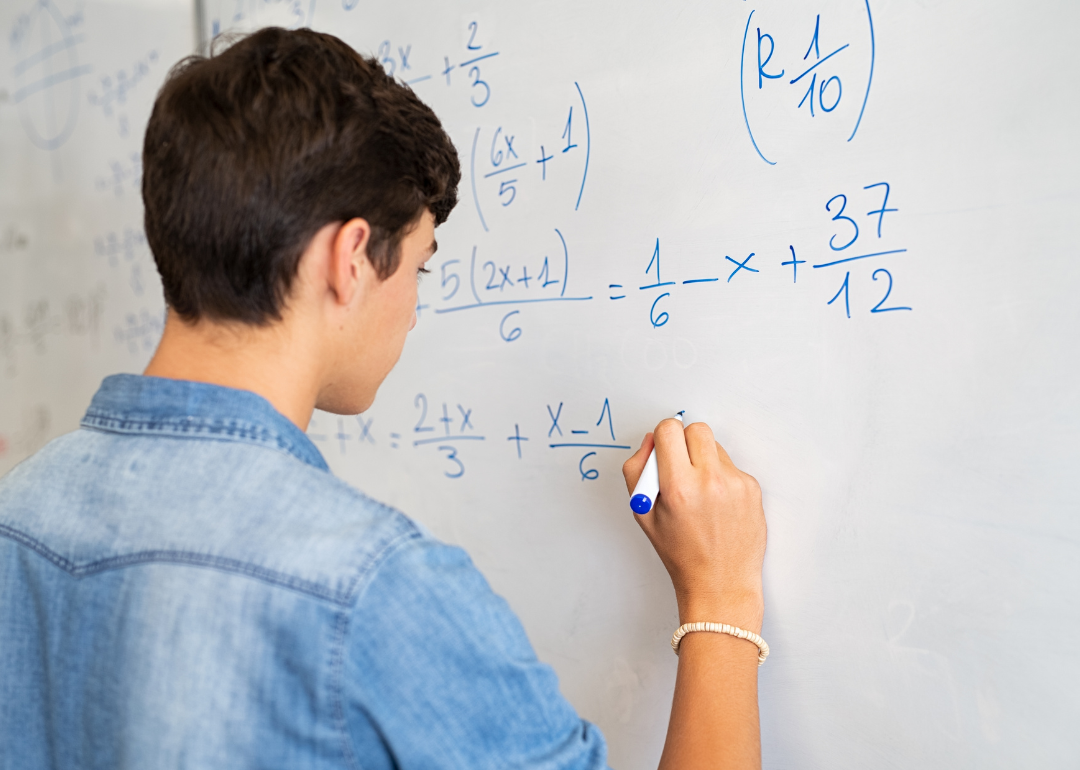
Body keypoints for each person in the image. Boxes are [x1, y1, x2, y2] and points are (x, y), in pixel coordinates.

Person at [0, 27, 767, 770]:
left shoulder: (19, 514)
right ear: (351, 257)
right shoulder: (374, 589)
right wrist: (721, 597)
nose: (414, 307)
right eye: (421, 268)